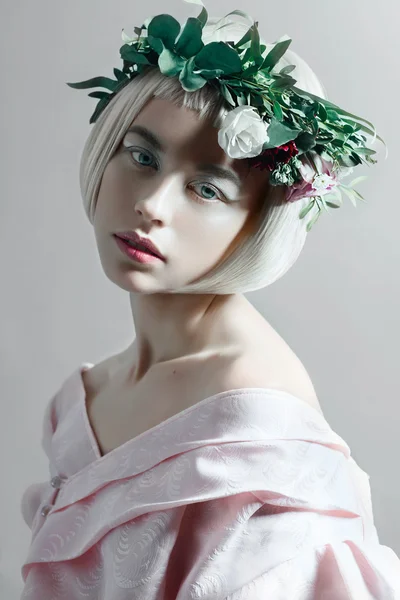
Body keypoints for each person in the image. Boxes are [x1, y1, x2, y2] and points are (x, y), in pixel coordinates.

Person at [19, 2, 400, 598]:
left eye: (206, 188)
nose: (153, 205)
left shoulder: (255, 421)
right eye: (141, 157)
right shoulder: (85, 399)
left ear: (259, 222)